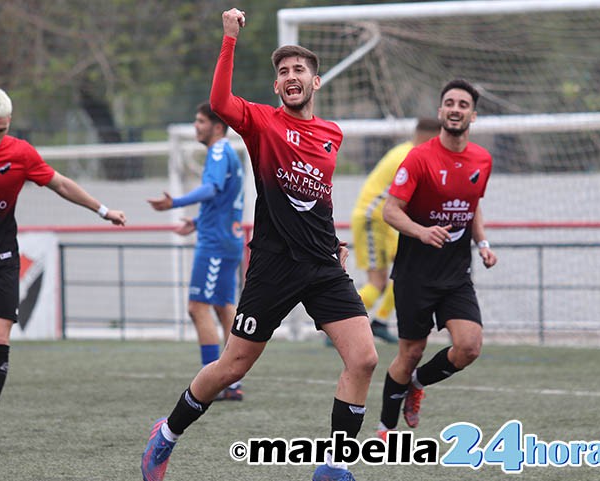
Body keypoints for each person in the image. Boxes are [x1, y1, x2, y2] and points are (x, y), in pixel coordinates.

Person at [142, 8, 377, 481]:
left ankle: (333, 467)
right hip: (273, 266)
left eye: (299, 71)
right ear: (276, 87)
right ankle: (166, 433)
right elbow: (220, 99)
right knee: (231, 367)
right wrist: (229, 38)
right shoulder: (261, 123)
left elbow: (317, 199)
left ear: (315, 83)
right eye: (283, 72)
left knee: (365, 358)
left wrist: (335, 244)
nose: (291, 77)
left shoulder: (333, 135)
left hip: (323, 265)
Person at [0, 87, 126, 451]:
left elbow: (60, 184)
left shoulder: (21, 154)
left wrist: (103, 210)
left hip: (0, 260)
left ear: (8, 125)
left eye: (2, 130)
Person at [376, 79, 497, 440]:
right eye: (449, 103)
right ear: (441, 111)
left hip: (456, 274)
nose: (456, 109)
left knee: (469, 346)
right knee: (410, 351)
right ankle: (386, 427)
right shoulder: (419, 158)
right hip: (415, 274)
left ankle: (417, 384)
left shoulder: (482, 159)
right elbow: (390, 211)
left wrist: (484, 243)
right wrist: (421, 231)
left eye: (463, 104)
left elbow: (472, 205)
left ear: (472, 115)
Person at [147, 101, 245, 401]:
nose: (195, 126)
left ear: (217, 126)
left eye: (200, 121)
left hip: (216, 244)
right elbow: (224, 199)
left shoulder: (218, 151)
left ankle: (211, 382)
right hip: (227, 238)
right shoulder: (228, 153)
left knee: (197, 307)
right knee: (224, 308)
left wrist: (175, 203)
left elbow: (213, 189)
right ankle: (231, 382)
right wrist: (198, 220)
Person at [349, 118, 441, 345]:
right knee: (378, 282)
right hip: (373, 219)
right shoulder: (409, 157)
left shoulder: (408, 152)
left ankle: (379, 322)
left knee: (406, 272)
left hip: (387, 222)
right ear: (430, 137)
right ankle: (341, 322)